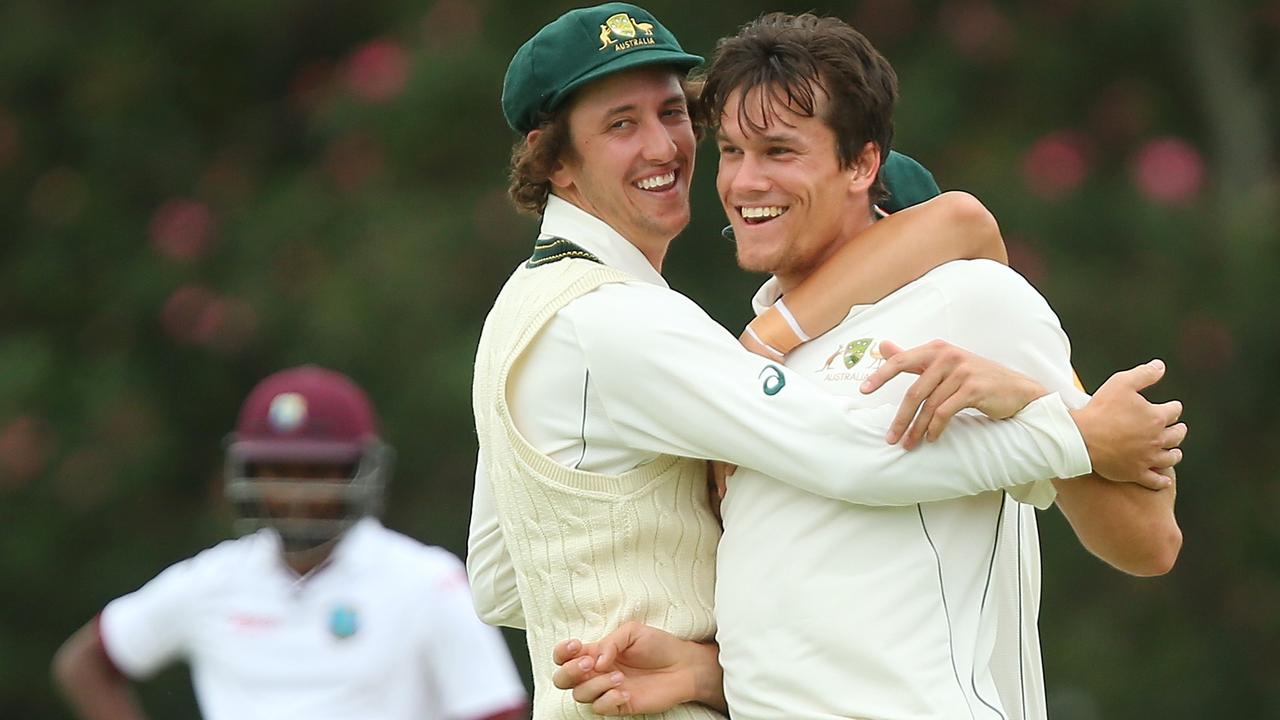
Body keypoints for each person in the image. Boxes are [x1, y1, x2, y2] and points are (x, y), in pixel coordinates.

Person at [471, 4, 1181, 718]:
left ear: (864, 167)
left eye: (780, 152)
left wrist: (1052, 419)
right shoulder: (740, 341)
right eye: (734, 152)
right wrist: (706, 672)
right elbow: (811, 610)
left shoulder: (970, 297)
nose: (745, 183)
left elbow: (1147, 542)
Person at [52, 366, 528, 720]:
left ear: (359, 472)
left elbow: (496, 710)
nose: (296, 492)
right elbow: (85, 663)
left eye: (317, 471)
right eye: (279, 471)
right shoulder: (212, 581)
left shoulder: (427, 581)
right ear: (249, 475)